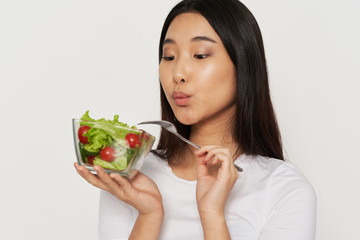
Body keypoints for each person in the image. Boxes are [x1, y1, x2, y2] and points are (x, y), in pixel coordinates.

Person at [74, 0, 317, 239]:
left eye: (200, 55)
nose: (177, 73)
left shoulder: (284, 190)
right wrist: (149, 215)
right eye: (168, 57)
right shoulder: (132, 177)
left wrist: (212, 214)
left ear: (243, 64)